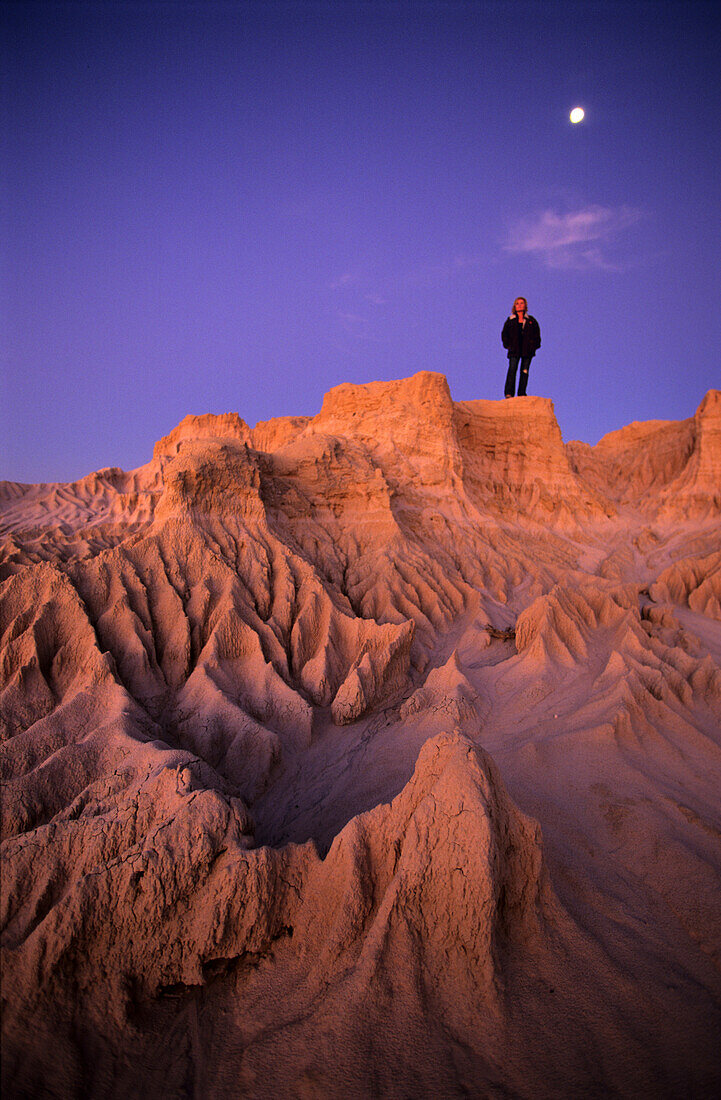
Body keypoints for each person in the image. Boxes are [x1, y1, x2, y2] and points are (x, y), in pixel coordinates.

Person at [501, 297, 541, 397]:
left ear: (525, 305)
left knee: (524, 371)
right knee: (512, 369)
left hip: (527, 350)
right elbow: (504, 334)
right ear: (514, 306)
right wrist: (508, 345)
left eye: (521, 303)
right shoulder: (510, 320)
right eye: (517, 303)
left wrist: (534, 346)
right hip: (514, 350)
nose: (519, 305)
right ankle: (509, 393)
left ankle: (521, 393)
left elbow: (537, 335)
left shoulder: (531, 320)